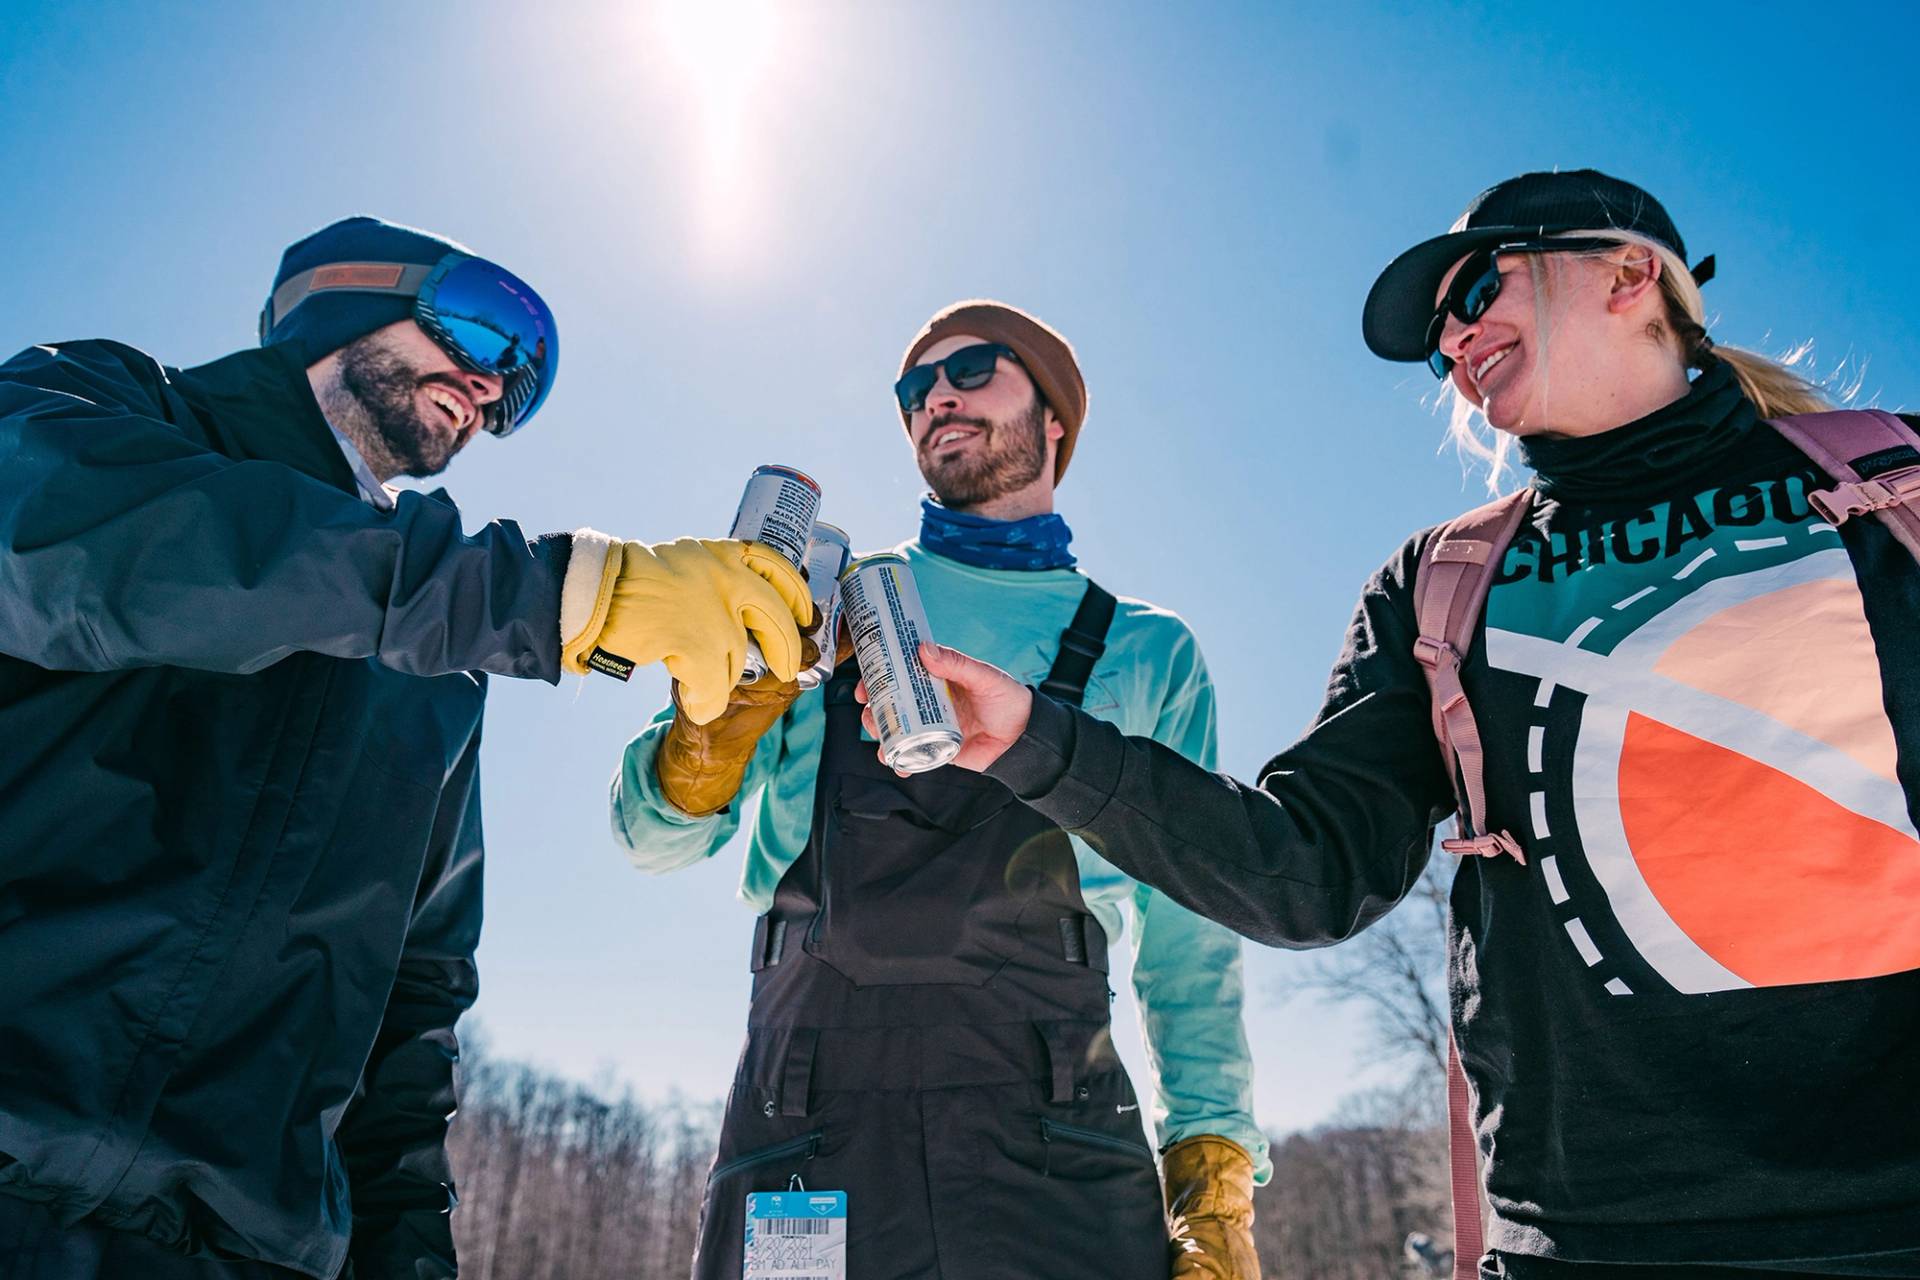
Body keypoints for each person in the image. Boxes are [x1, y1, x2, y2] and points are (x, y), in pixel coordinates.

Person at [910, 173, 1920, 1278]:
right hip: (1585, 1242)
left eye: (1479, 288)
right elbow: (1305, 870)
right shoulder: (1443, 585)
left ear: (1631, 274)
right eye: (1440, 335)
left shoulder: (1889, 495)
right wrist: (1039, 741)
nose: (1454, 339)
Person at [0, 216, 812, 1279]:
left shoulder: (439, 673)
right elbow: (86, 547)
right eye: (484, 326)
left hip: (241, 1252)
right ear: (338, 294)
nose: (492, 385)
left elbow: (411, 1009)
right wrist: (550, 592)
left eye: (521, 383)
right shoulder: (104, 408)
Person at [609, 300, 1270, 1280]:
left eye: (970, 370)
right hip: (810, 1120)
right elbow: (651, 842)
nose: (936, 398)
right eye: (914, 388)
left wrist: (1212, 1175)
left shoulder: (1146, 649)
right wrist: (714, 723)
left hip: (1058, 1126)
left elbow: (1189, 934)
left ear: (1055, 415)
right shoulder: (819, 609)